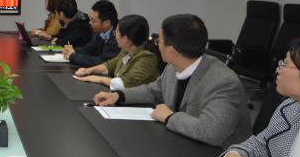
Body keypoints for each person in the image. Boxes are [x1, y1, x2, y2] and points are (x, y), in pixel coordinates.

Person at [94, 14, 250, 147]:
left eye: (159, 42)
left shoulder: (223, 82)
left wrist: (169, 117)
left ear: (171, 51)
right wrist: (119, 96)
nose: (157, 46)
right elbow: (153, 91)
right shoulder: (173, 66)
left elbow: (212, 132)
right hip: (182, 142)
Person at [74, 15, 159, 90]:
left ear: (126, 39)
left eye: (116, 32)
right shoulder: (126, 51)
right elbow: (110, 65)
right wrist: (89, 70)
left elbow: (125, 84)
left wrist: (99, 79)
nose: (114, 35)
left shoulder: (146, 59)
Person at [63, 0, 120, 66]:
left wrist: (73, 56)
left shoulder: (118, 36)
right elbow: (89, 49)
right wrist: (72, 50)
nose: (90, 23)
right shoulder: (100, 32)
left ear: (107, 23)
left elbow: (102, 61)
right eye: (90, 19)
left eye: (93, 20)